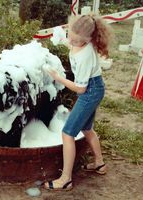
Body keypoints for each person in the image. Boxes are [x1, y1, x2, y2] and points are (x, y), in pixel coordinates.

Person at [44, 14, 113, 190]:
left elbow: (80, 89)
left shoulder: (85, 57)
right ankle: (99, 163)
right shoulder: (82, 42)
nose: (71, 42)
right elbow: (72, 43)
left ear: (88, 39)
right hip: (95, 88)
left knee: (68, 133)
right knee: (87, 128)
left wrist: (58, 77)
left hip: (90, 90)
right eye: (70, 37)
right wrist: (61, 38)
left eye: (76, 41)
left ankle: (65, 179)